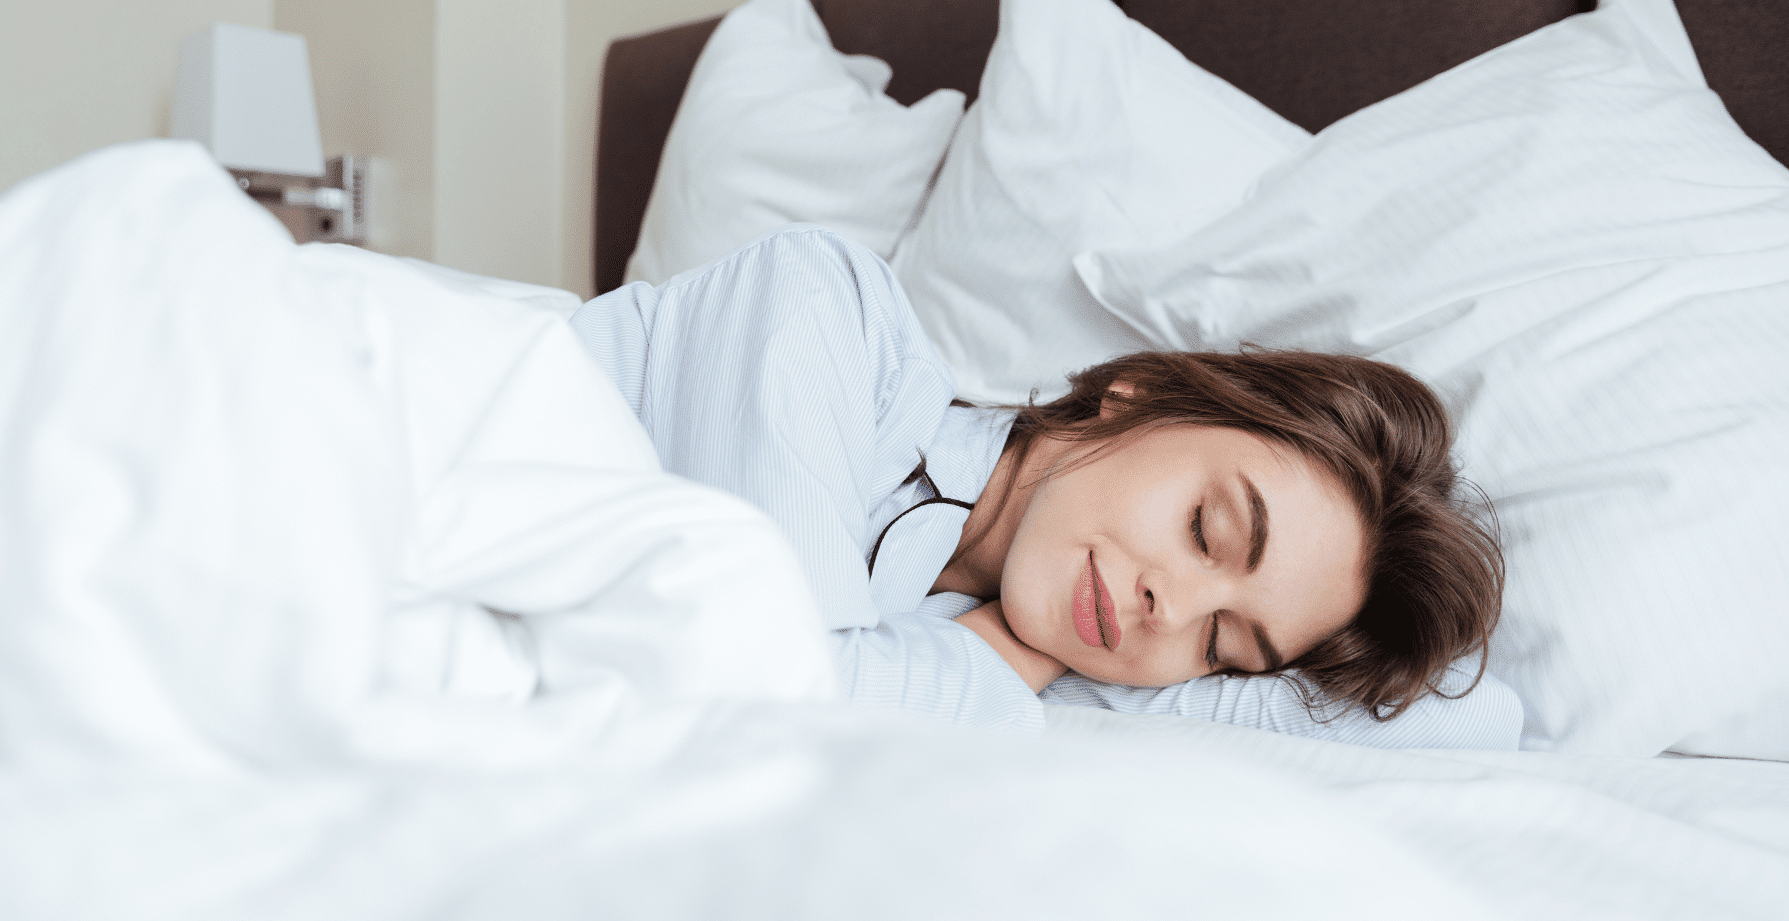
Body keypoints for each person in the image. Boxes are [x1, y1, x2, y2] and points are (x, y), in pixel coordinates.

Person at [571, 226, 1522, 747]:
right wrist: (1000, 655)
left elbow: (1476, 723)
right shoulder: (823, 307)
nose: (1170, 609)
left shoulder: (987, 639)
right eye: (1205, 528)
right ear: (1135, 395)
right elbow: (770, 708)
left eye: (1221, 647)